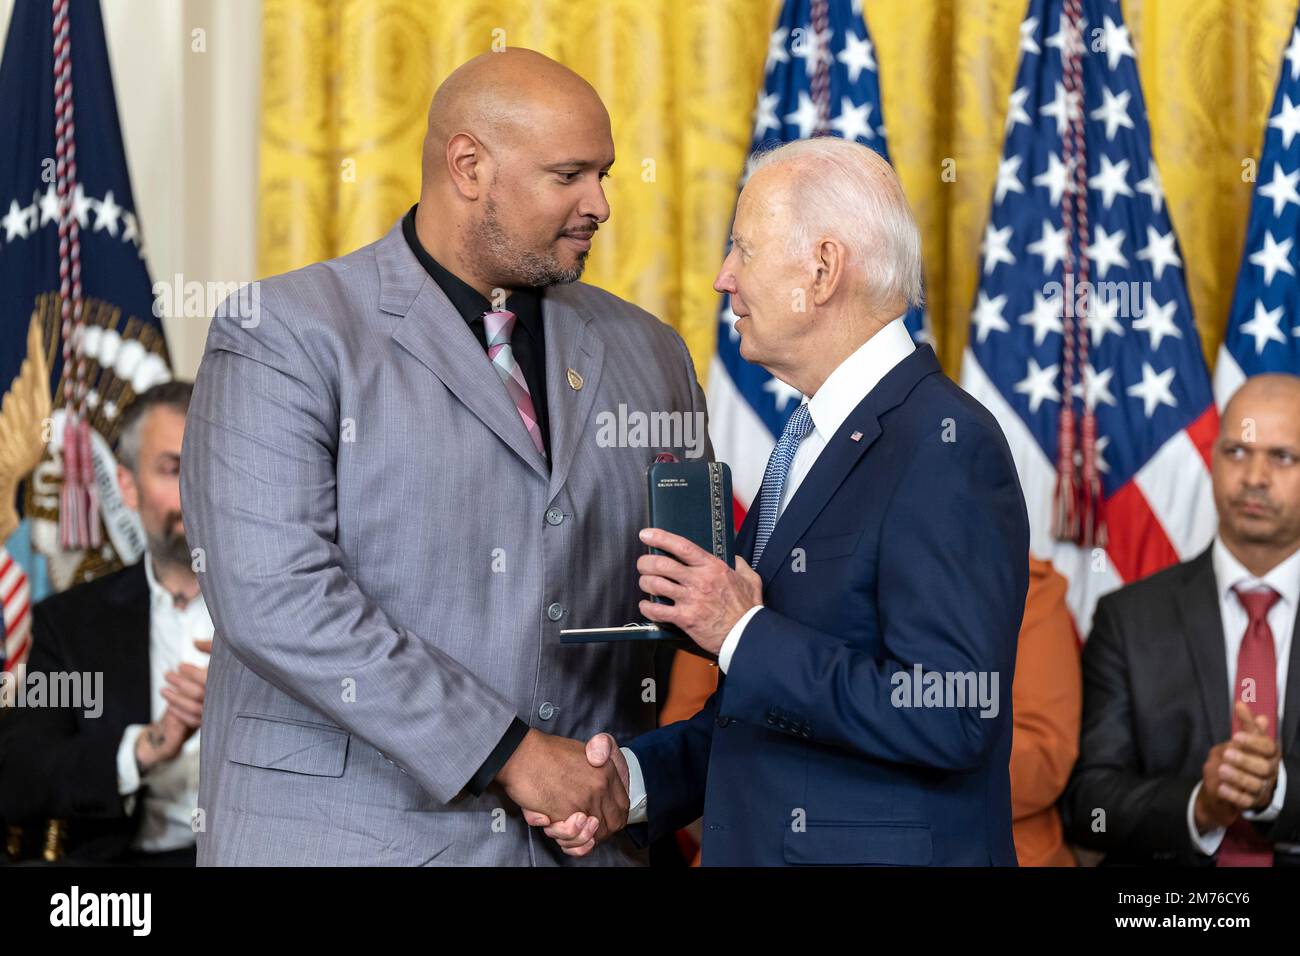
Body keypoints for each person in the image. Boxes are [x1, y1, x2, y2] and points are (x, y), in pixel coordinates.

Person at [181, 48, 708, 866]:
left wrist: (639, 781)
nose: (599, 203)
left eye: (603, 174)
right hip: (344, 844)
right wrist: (512, 752)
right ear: (468, 166)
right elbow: (276, 595)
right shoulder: (281, 332)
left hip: (591, 847)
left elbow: (693, 597)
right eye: (568, 175)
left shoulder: (653, 352)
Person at [529, 136, 1030, 865]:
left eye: (744, 250)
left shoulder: (945, 445)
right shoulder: (811, 437)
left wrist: (741, 629)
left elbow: (952, 710)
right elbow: (769, 714)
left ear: (822, 271)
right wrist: (629, 785)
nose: (722, 278)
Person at [1064, 374, 1300, 866]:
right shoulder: (1127, 619)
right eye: (1237, 451)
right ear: (1211, 462)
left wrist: (1274, 790)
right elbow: (1089, 806)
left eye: (1282, 457)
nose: (1254, 477)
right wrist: (1201, 805)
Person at [0, 381, 210, 864]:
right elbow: (17, 774)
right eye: (174, 468)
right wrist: (143, 748)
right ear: (128, 485)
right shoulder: (71, 625)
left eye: (209, 460)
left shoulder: (285, 605)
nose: (197, 485)